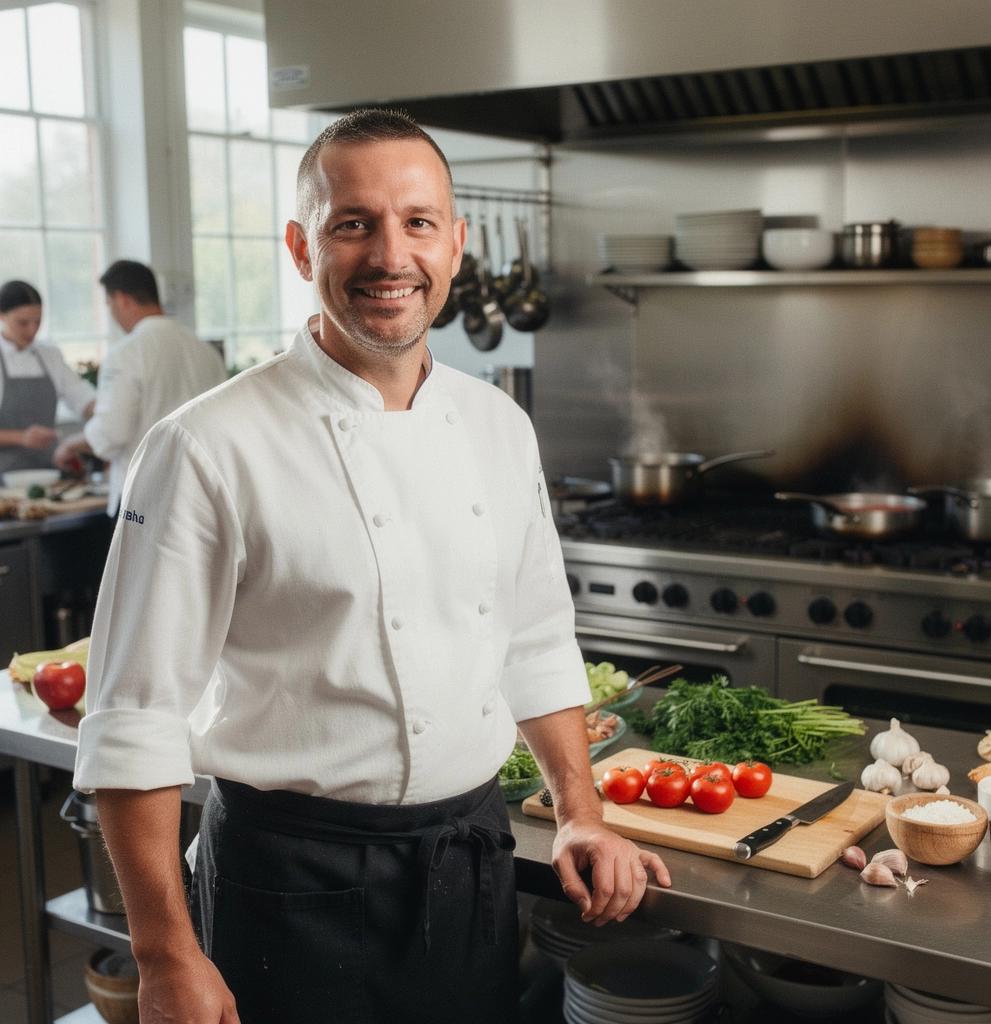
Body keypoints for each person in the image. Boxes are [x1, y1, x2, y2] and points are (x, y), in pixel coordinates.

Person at [73, 109, 671, 1024]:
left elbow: (538, 642)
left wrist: (580, 810)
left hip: (468, 869)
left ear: (457, 244)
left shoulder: (498, 427)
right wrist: (163, 956)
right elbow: (133, 719)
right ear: (300, 247)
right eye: (353, 223)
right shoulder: (205, 446)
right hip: (287, 887)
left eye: (418, 222)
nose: (392, 254)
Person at [54, 260, 227, 514]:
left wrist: (71, 444)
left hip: (145, 499)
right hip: (200, 497)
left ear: (122, 299)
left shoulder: (126, 353)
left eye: (109, 305)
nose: (112, 314)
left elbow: (112, 433)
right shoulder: (206, 351)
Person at [0, 280, 95, 475]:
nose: (32, 330)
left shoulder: (50, 355)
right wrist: (21, 437)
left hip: (50, 471)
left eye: (38, 321)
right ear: (1, 315)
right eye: (23, 323)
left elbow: (83, 399)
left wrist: (110, 418)